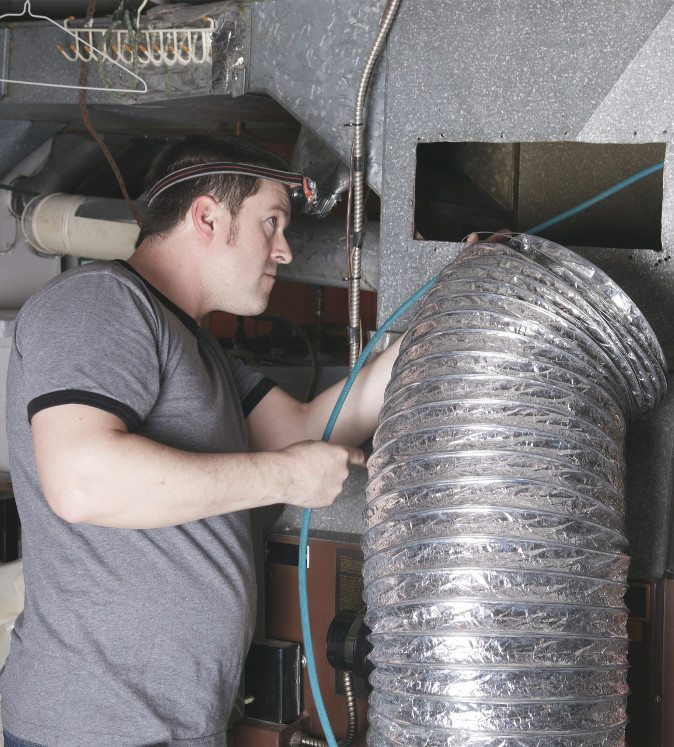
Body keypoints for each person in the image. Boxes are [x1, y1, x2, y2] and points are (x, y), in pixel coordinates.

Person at [0, 134, 401, 746]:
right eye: (272, 223)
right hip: (94, 728)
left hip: (176, 728)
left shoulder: (198, 349)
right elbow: (82, 480)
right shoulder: (100, 303)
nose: (285, 251)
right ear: (207, 216)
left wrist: (442, 316)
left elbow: (307, 430)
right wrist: (287, 476)